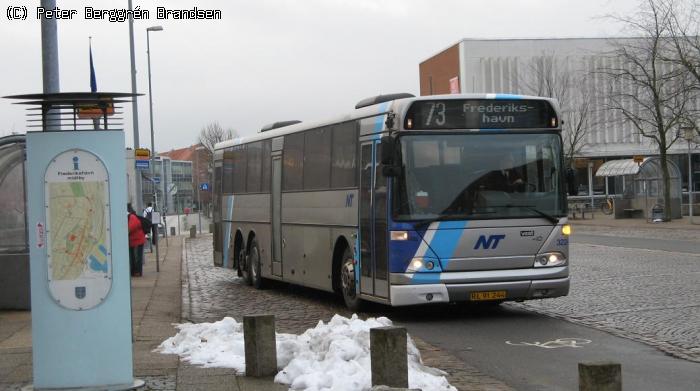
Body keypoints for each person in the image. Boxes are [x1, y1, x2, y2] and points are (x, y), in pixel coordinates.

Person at [128, 203, 146, 277]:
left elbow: (130, 228)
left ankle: (138, 272)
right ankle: (134, 271)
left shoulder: (132, 217)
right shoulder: (130, 217)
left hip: (137, 241)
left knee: (137, 257)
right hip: (133, 241)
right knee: (133, 257)